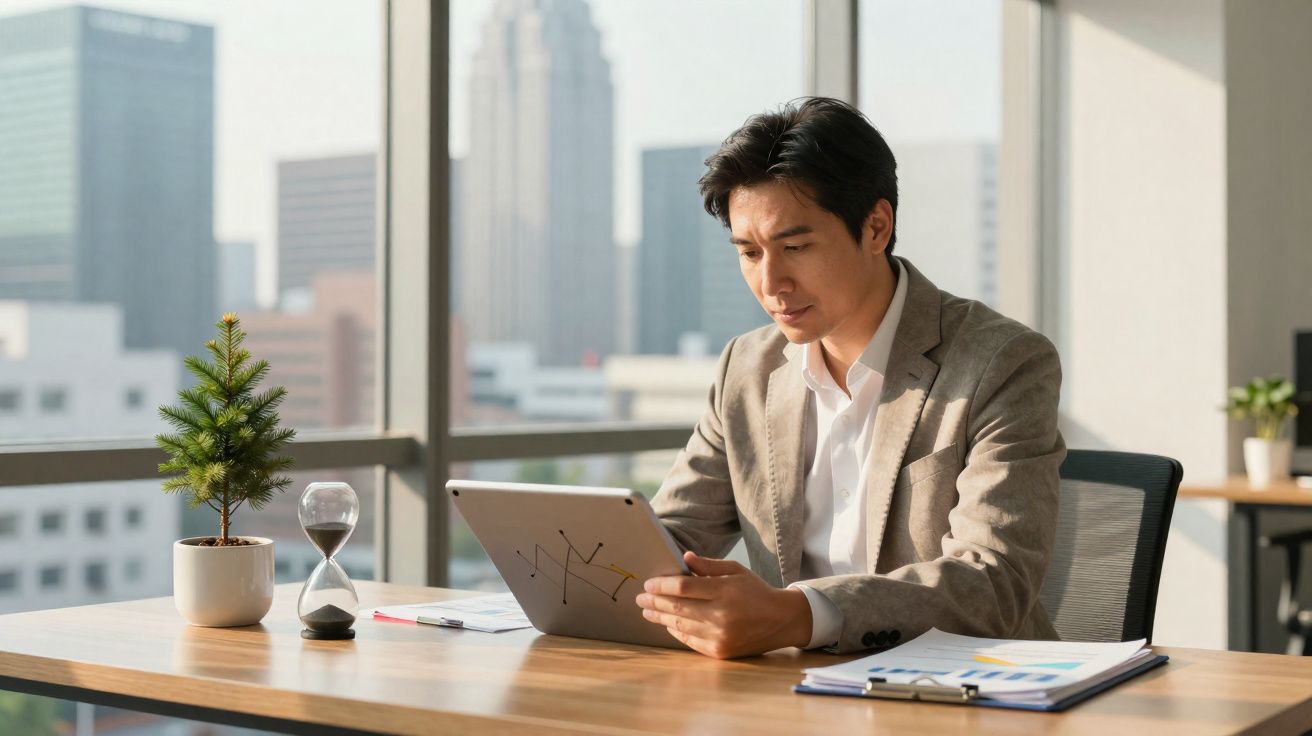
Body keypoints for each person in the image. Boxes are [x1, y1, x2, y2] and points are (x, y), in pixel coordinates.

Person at [634, 97, 1065, 659]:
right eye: (749, 252)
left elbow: (992, 582)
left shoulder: (1001, 362)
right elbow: (673, 540)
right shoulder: (748, 367)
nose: (771, 283)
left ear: (876, 227)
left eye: (796, 246)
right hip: (790, 693)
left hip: (962, 690)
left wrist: (797, 616)